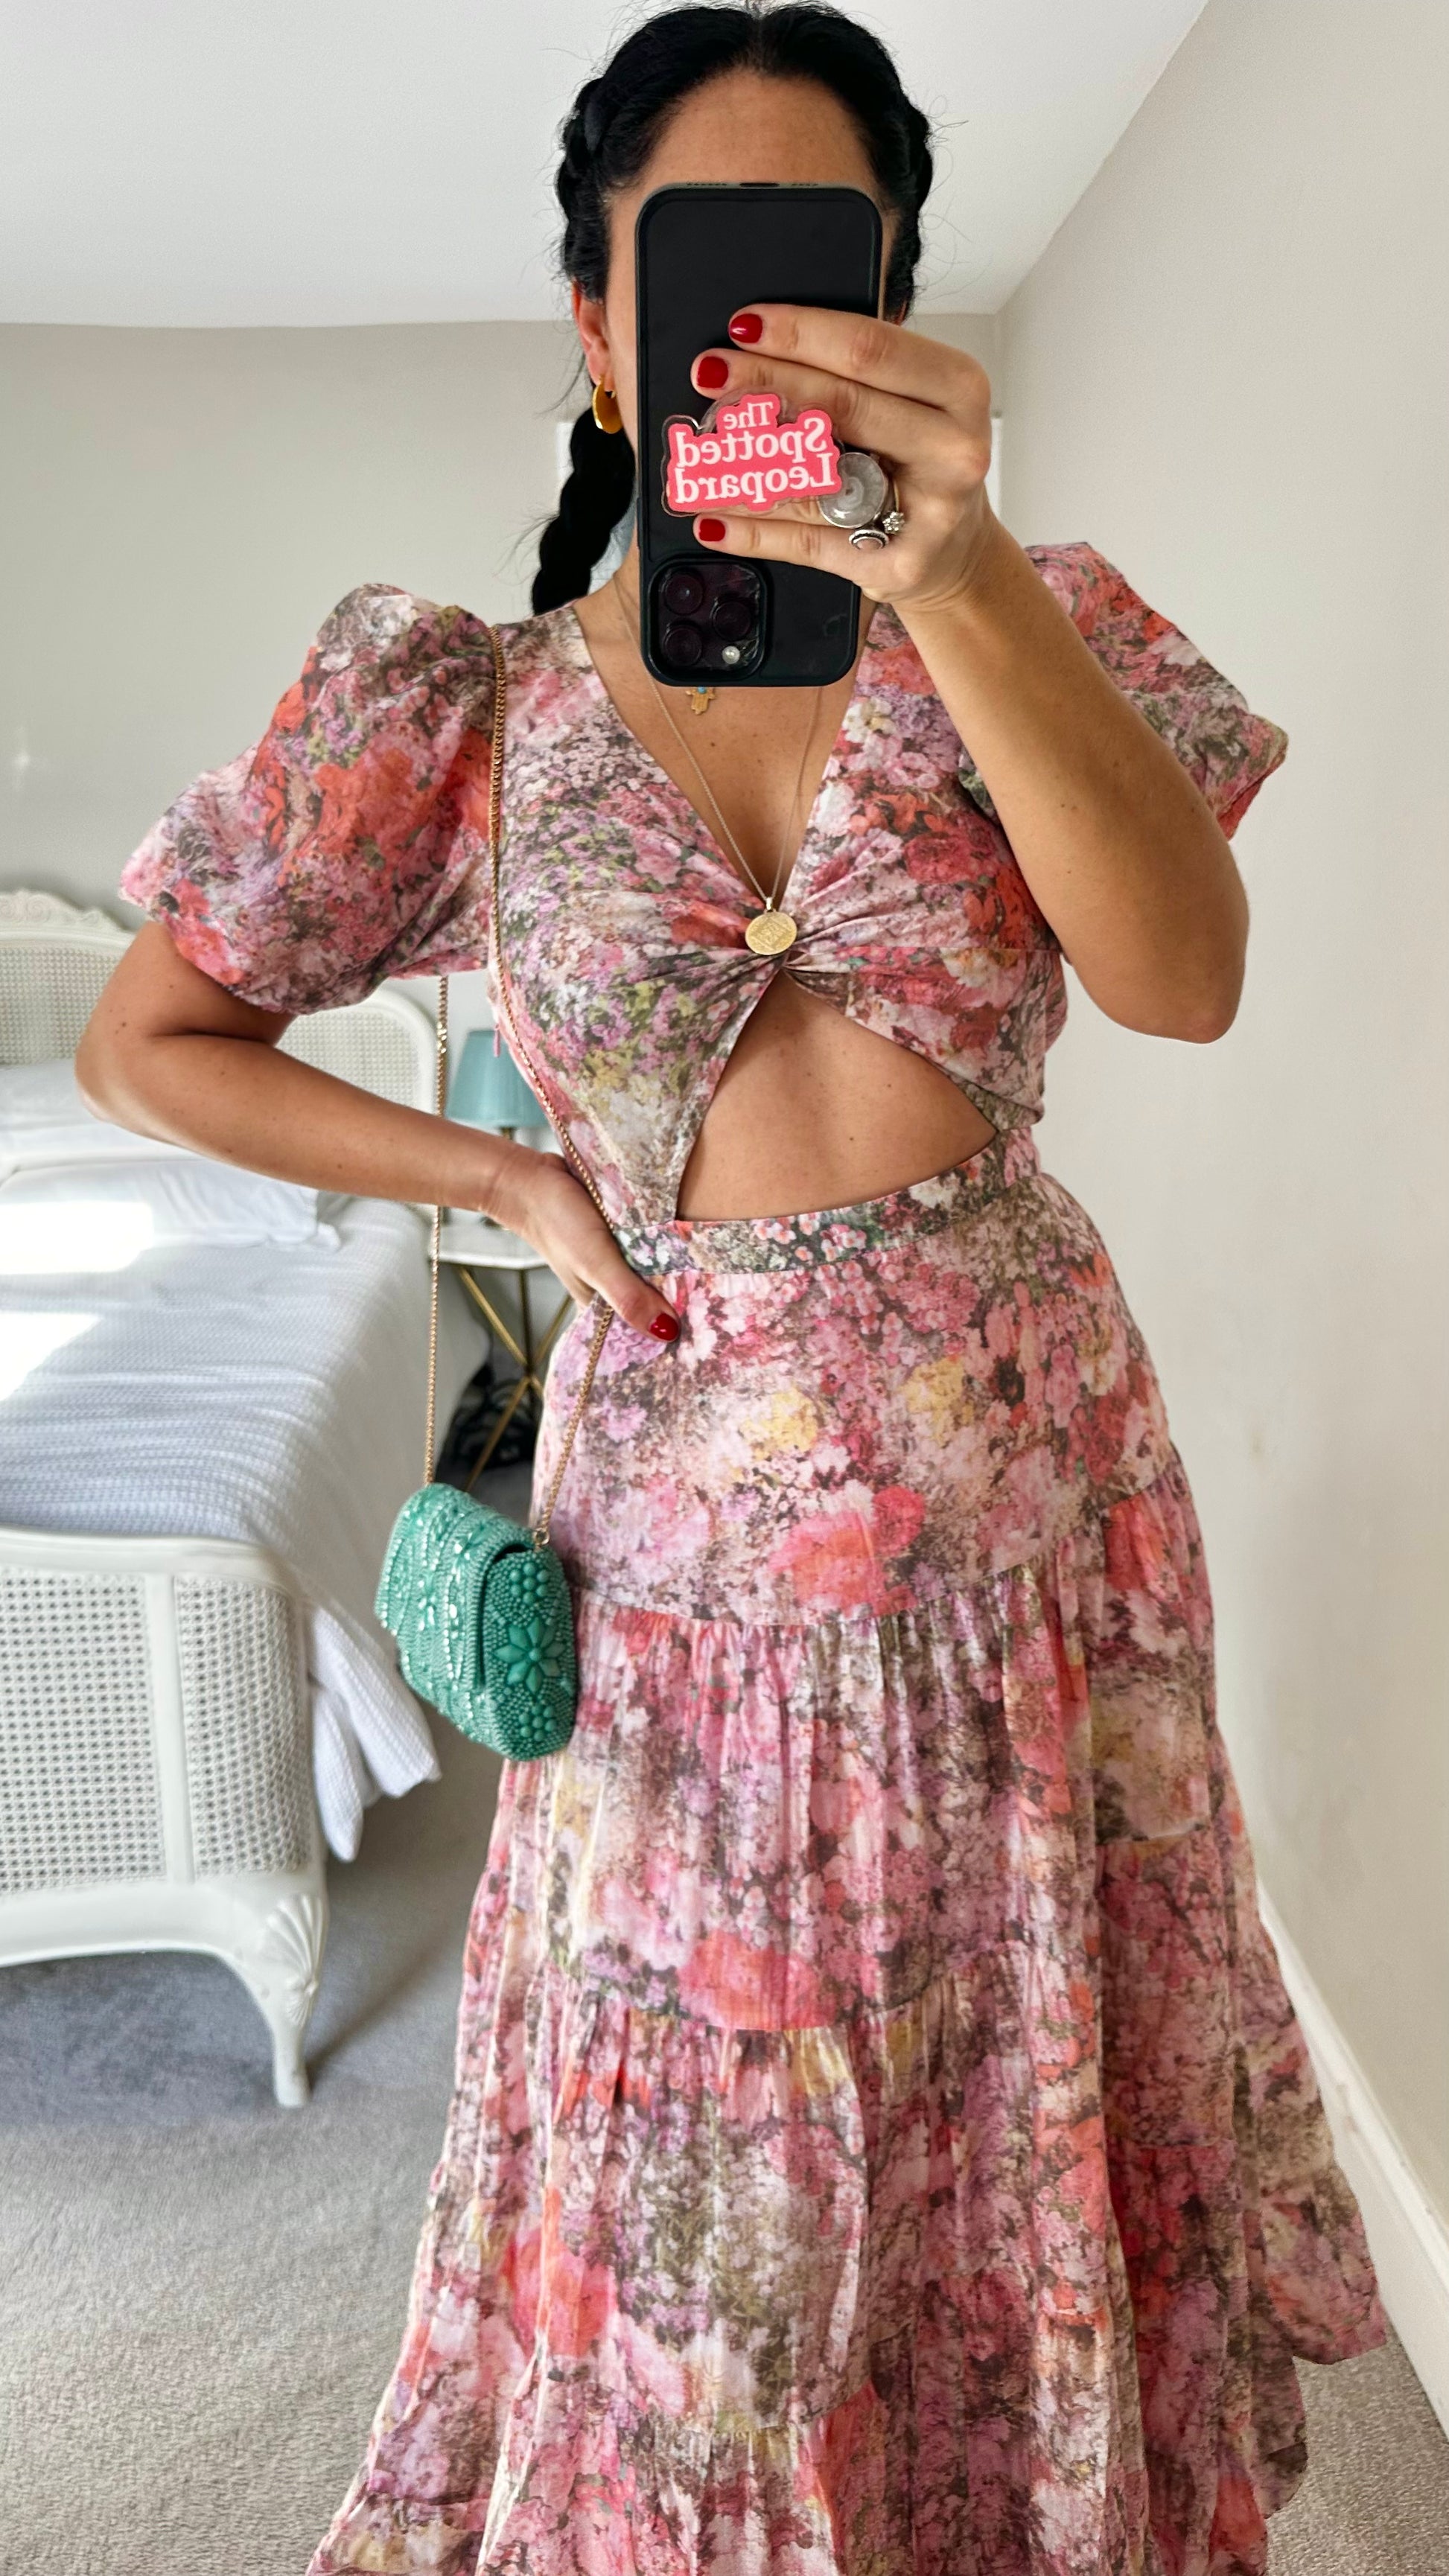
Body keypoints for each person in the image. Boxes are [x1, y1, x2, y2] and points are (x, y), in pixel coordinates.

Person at [81, 7, 1386, 2569]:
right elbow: (154, 1037)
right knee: (706, 2220)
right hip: (674, 1586)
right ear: (603, 325)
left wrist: (952, 568)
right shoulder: (460, 716)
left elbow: (1187, 976)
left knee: (1008, 2107)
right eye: (705, 275)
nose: (768, 335)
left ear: (888, 309)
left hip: (1032, 1535)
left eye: (832, 274)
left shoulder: (1031, 628)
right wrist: (496, 1170)